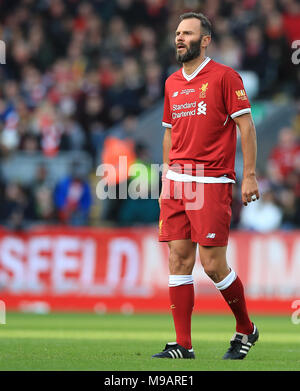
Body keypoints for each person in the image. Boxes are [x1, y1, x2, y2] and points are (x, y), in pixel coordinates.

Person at [152, 12, 260, 360]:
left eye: (187, 33)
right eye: (177, 33)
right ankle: (183, 345)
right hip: (177, 184)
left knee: (213, 265)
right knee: (178, 260)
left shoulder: (226, 77)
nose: (179, 38)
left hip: (211, 181)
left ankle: (246, 327)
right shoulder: (171, 83)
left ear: (205, 39)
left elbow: (246, 126)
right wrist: (166, 177)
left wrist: (250, 175)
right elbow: (169, 132)